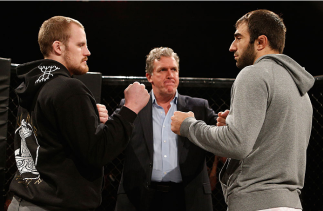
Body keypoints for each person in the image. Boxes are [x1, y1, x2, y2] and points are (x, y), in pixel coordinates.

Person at [171, 9, 314, 211]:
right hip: (290, 204)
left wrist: (188, 125)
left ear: (260, 42)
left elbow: (236, 144)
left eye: (239, 37)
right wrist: (232, 127)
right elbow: (267, 147)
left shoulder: (253, 74)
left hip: (256, 203)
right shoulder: (300, 88)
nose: (232, 47)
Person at [8, 16, 150, 211]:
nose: (88, 52)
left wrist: (88, 116)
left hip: (26, 202)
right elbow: (97, 152)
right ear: (58, 47)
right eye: (81, 45)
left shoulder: (34, 85)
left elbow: (53, 137)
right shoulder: (69, 88)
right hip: (53, 205)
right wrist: (130, 109)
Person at [114, 47, 219, 211]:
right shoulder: (132, 106)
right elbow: (112, 139)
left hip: (187, 199)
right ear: (149, 77)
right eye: (162, 70)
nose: (170, 75)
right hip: (140, 198)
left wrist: (225, 123)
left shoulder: (199, 107)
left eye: (174, 69)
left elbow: (221, 136)